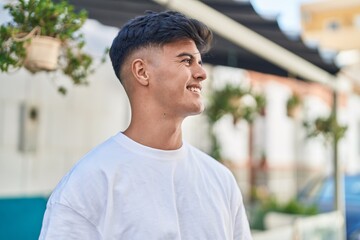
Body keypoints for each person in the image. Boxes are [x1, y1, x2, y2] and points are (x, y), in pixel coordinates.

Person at [39, 11, 252, 240]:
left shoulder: (221, 180)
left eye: (199, 62)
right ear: (142, 72)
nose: (201, 73)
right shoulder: (89, 184)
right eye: (186, 60)